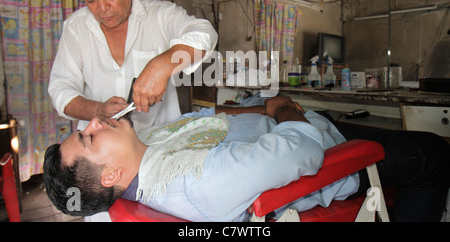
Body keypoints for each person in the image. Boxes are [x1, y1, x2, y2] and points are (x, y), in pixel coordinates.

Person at [43, 97, 450, 222]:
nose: (94, 120)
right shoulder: (200, 181)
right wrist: (283, 111)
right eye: (87, 137)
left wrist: (257, 108)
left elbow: (203, 119)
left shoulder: (149, 147)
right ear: (112, 173)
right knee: (433, 153)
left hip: (294, 124)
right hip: (331, 148)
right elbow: (305, 150)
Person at [48, 0, 217, 133]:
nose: (102, 7)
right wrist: (97, 110)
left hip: (157, 144)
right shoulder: (76, 27)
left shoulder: (160, 15)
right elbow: (60, 89)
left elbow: (204, 32)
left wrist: (162, 64)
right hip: (100, 146)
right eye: (91, 0)